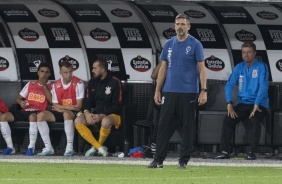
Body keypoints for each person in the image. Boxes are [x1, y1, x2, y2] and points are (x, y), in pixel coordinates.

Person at [148, 14, 207, 169]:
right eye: (177, 24)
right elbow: (163, 69)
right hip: (169, 91)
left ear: (188, 26)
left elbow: (202, 69)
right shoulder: (168, 44)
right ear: (174, 25)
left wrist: (203, 90)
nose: (180, 26)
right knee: (163, 126)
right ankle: (158, 160)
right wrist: (157, 90)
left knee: (187, 127)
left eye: (183, 24)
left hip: (188, 92)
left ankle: (183, 160)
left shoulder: (195, 44)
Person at [214, 42, 269, 160]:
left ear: (254, 53)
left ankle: (252, 152)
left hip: (259, 104)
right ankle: (224, 151)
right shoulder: (239, 67)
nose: (246, 55)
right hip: (242, 103)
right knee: (228, 119)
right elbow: (229, 85)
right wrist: (229, 103)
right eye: (244, 52)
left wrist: (256, 104)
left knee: (254, 120)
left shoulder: (261, 66)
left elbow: (263, 86)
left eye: (249, 52)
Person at [0, 63, 52, 155]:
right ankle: (10, 147)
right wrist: (21, 102)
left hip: (38, 112)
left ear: (49, 74)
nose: (44, 74)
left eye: (46, 72)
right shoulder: (30, 84)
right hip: (25, 111)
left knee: (32, 117)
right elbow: (18, 98)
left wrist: (44, 86)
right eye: (42, 71)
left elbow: (52, 102)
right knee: (3, 117)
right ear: (38, 73)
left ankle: (31, 147)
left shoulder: (52, 86)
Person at [74, 59, 122, 157]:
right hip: (95, 114)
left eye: (95, 68)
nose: (92, 71)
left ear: (103, 69)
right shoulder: (92, 82)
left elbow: (117, 105)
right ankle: (99, 148)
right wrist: (87, 113)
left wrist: (102, 115)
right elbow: (87, 101)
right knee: (78, 121)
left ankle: (95, 148)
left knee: (105, 121)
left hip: (111, 115)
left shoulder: (115, 82)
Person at [36, 61, 84, 156]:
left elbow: (78, 106)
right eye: (66, 72)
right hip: (62, 110)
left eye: (70, 71)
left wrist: (62, 109)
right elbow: (54, 104)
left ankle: (69, 148)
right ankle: (48, 148)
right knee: (41, 115)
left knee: (66, 114)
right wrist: (66, 107)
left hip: (73, 113)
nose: (69, 74)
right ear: (60, 73)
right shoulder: (56, 84)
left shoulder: (79, 83)